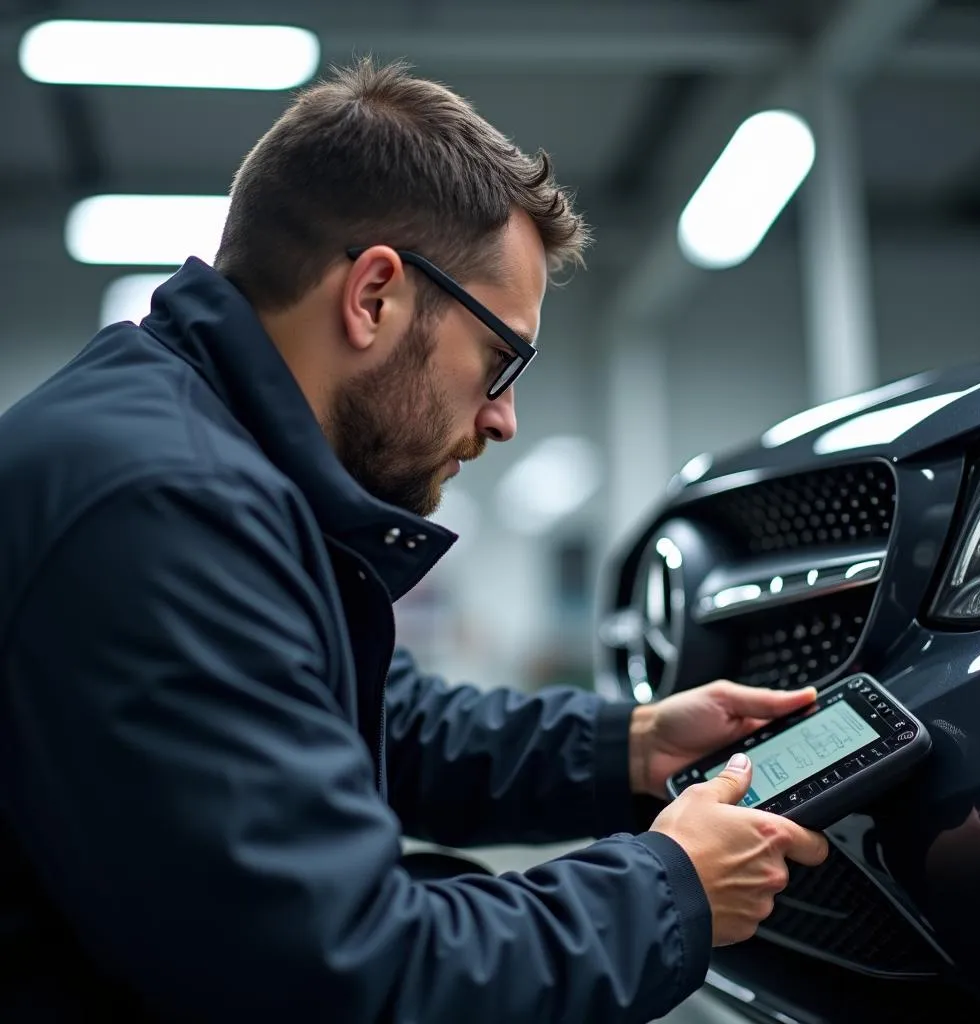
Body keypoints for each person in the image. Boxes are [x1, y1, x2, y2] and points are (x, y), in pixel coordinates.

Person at [0, 59, 828, 1022]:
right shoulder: (164, 508)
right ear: (375, 297)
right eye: (501, 358)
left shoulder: (198, 459)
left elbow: (342, 719)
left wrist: (629, 747)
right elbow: (345, 975)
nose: (505, 417)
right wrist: (669, 888)